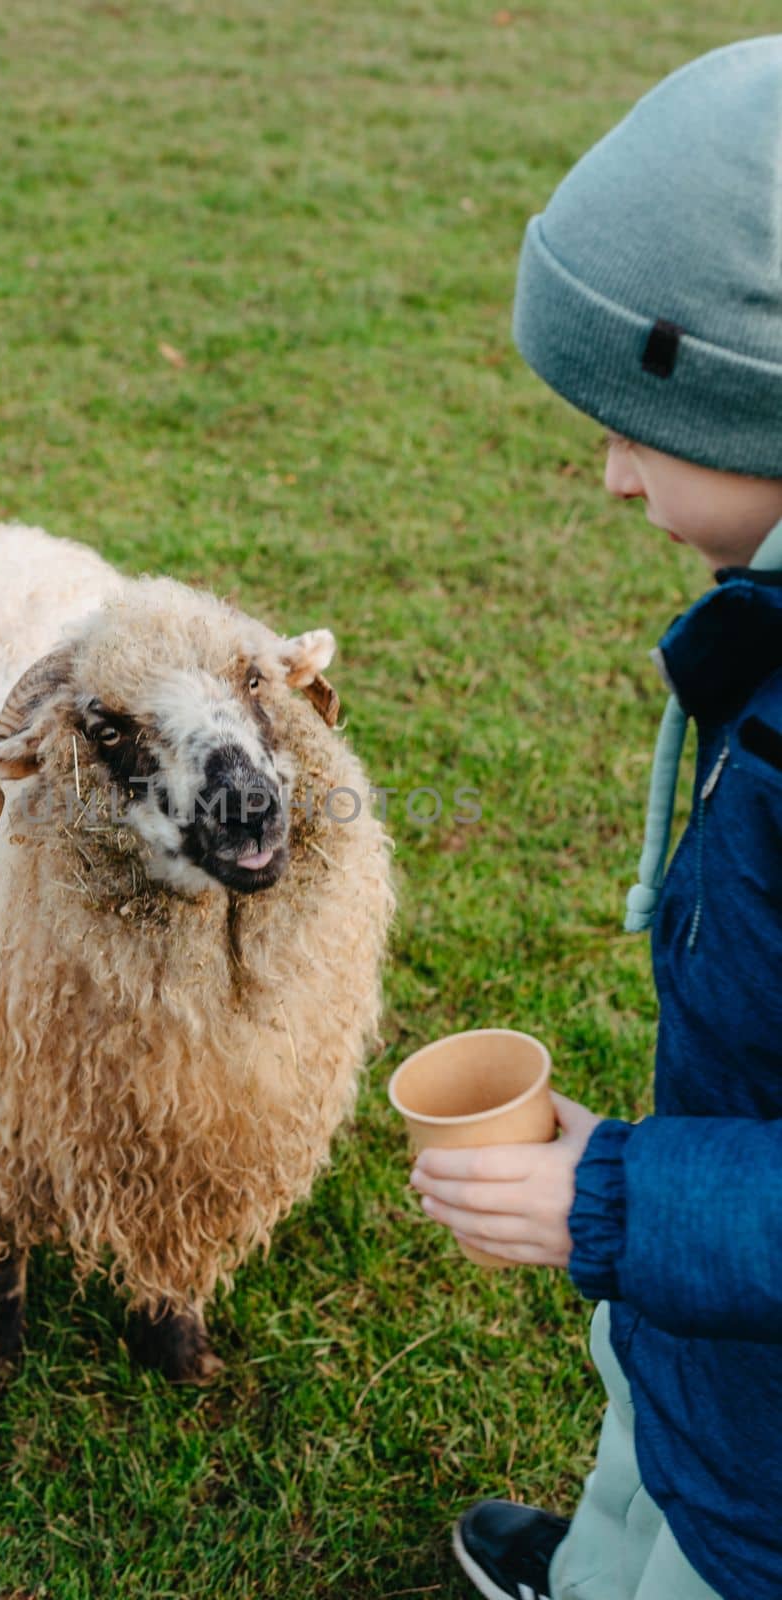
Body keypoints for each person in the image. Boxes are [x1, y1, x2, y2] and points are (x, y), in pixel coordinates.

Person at [408, 35, 782, 1600]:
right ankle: (602, 1560)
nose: (613, 481)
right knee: (653, 1436)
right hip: (715, 1332)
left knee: (719, 1532)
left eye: (634, 426)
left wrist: (617, 1193)